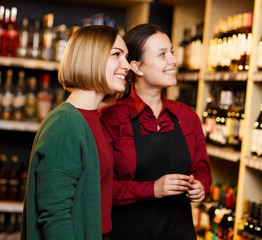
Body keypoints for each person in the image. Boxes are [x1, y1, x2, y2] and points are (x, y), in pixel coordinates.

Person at [99, 23, 212, 240]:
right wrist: (152, 189)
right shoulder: (110, 118)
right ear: (137, 67)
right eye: (162, 54)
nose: (173, 60)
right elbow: (101, 189)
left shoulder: (187, 117)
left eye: (172, 52)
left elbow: (202, 171)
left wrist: (200, 188)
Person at [21, 25, 130, 240]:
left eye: (126, 57)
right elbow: (55, 217)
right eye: (116, 54)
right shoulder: (65, 124)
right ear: (91, 58)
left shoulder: (92, 119)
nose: (126, 65)